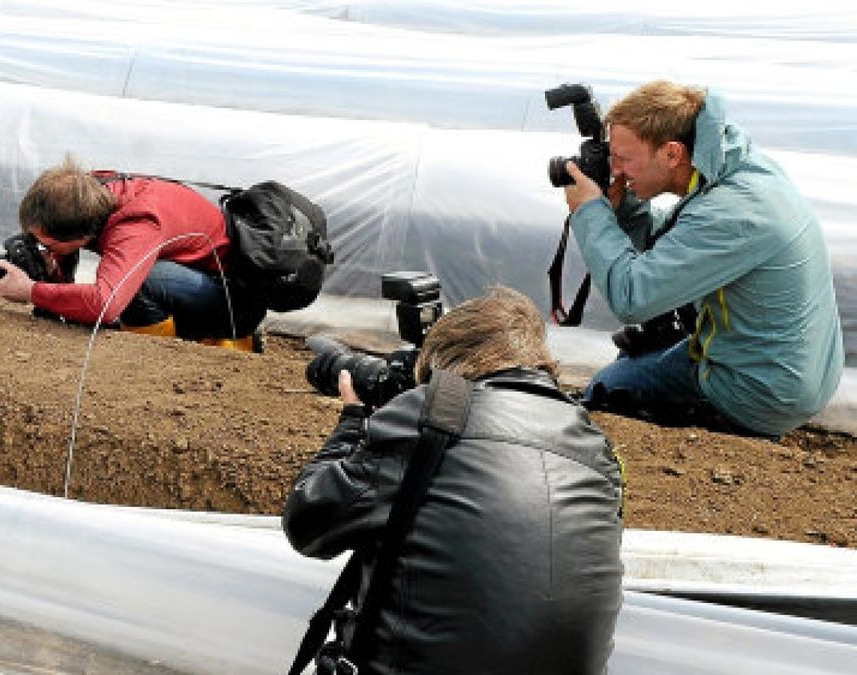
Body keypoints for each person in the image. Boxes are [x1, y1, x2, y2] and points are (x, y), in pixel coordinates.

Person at [283, 287, 624, 674]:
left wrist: (352, 422)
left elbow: (306, 523)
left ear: (442, 361)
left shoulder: (432, 416)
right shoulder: (595, 447)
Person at [564, 80, 843, 438]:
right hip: (792, 364)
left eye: (623, 159)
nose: (616, 170)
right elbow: (673, 245)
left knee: (607, 387)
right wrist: (625, 207)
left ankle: (737, 427)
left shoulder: (730, 212)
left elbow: (632, 297)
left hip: (762, 391)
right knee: (643, 348)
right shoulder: (740, 170)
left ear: (672, 154)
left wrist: (590, 213)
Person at [0, 156, 266, 350]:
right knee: (133, 281)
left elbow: (105, 305)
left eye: (47, 244)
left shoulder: (136, 223)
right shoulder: (89, 194)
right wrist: (54, 272)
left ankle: (166, 355)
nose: (42, 249)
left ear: (83, 236)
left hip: (235, 303)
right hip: (199, 279)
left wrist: (31, 290)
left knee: (134, 283)